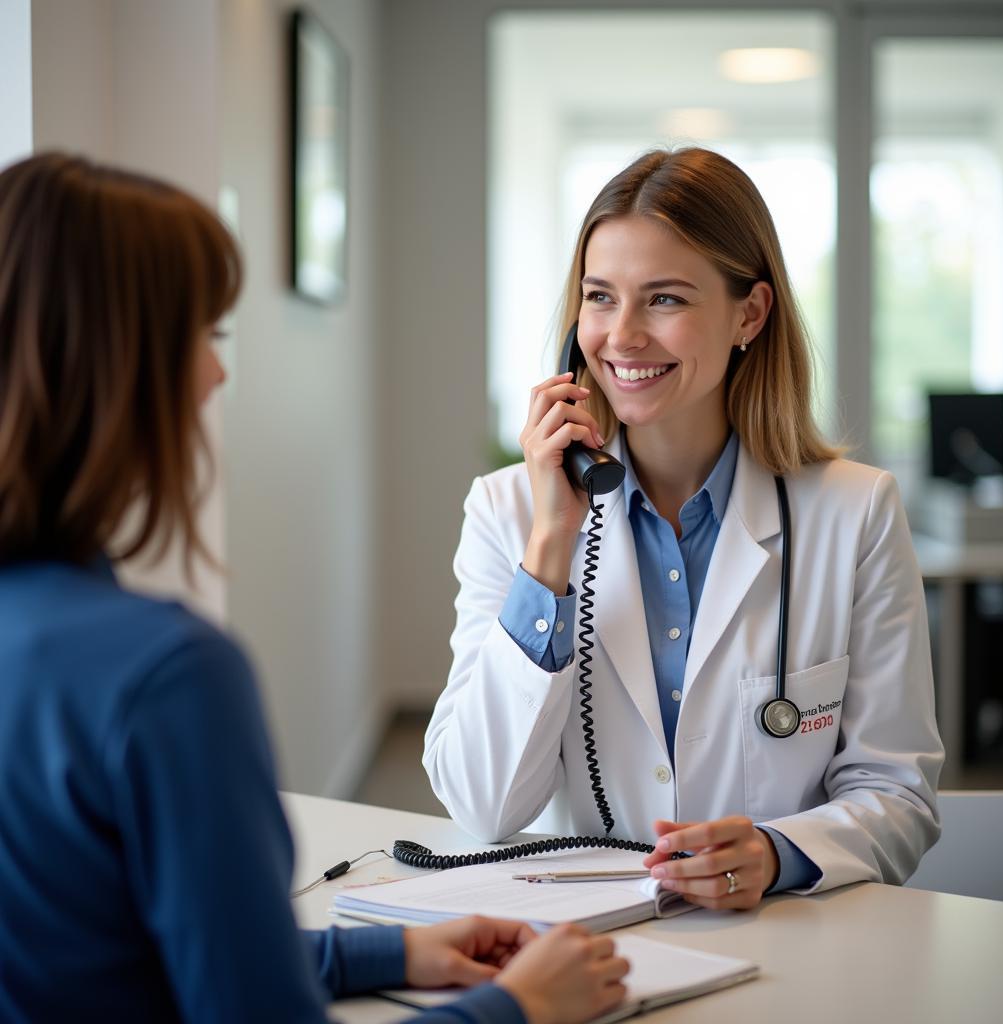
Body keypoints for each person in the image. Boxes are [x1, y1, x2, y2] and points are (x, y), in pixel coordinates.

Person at [0, 153, 629, 1024]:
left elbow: (102, 950)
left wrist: (389, 949)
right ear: (116, 365)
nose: (218, 376)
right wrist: (518, 1008)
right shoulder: (166, 676)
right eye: (203, 337)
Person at [424, 147, 944, 909]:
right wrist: (549, 553)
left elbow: (898, 795)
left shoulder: (855, 513)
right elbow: (481, 805)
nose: (622, 336)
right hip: (595, 945)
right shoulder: (509, 514)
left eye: (664, 300)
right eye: (600, 298)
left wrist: (776, 853)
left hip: (789, 947)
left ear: (750, 314)